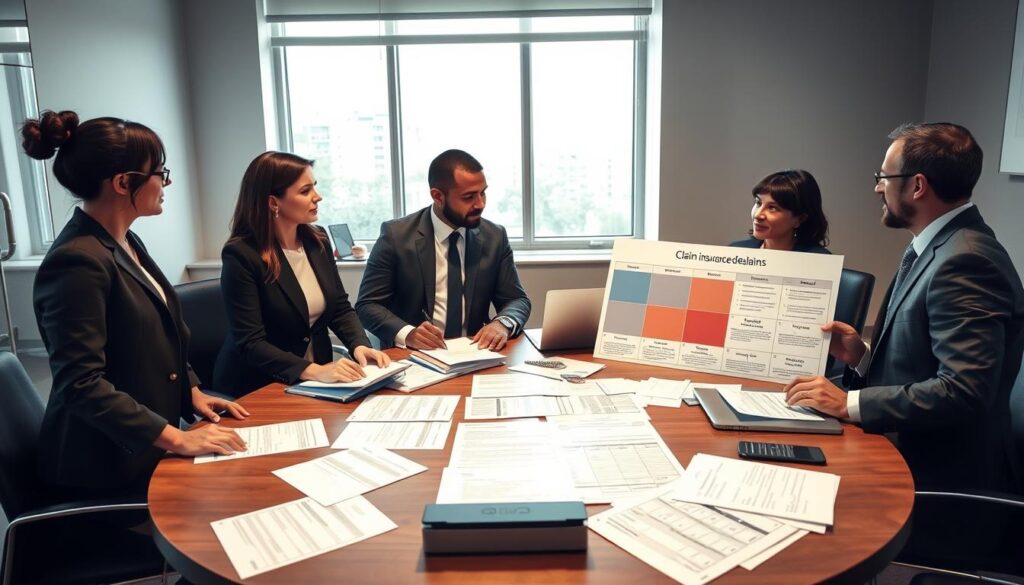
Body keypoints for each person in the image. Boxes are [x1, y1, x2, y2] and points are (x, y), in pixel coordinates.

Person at [784, 123, 1024, 494]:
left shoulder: (968, 261)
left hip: (939, 480)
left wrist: (850, 403)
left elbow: (965, 391)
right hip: (904, 450)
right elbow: (927, 363)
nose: (878, 186)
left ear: (917, 186)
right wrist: (862, 357)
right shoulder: (936, 245)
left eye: (883, 176)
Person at [26, 110, 248, 502]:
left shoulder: (124, 242)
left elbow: (156, 334)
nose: (166, 182)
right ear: (123, 182)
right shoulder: (76, 260)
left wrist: (192, 391)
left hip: (142, 445)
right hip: (106, 468)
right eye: (160, 171)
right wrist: (176, 438)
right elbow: (82, 384)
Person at [214, 151, 390, 396]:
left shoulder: (316, 240)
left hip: (318, 380)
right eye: (305, 191)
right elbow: (251, 343)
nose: (318, 197)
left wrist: (359, 344)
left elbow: (339, 306)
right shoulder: (241, 254)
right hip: (259, 386)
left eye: (314, 188)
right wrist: (313, 370)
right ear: (273, 202)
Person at [356, 149, 531, 350]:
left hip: (476, 353)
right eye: (469, 197)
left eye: (483, 192)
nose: (480, 204)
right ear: (438, 196)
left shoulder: (495, 236)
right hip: (415, 356)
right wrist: (408, 333)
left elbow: (516, 299)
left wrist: (502, 323)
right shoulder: (396, 236)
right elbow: (367, 305)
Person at [730, 169, 830, 253]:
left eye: (772, 208)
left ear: (799, 219)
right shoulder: (735, 251)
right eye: (758, 203)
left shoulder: (820, 261)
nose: (757, 215)